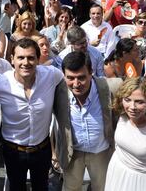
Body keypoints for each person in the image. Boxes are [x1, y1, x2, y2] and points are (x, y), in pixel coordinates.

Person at [0, 38, 64, 191]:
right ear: (12, 60)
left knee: (41, 187)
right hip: (13, 152)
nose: (26, 62)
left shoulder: (51, 75)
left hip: (42, 150)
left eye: (31, 57)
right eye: (20, 57)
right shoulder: (0, 83)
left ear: (38, 59)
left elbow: (71, 81)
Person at [54, 51, 116, 191]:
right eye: (70, 78)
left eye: (81, 77)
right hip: (72, 153)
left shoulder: (109, 87)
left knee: (103, 188)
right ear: (63, 75)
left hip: (101, 152)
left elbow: (141, 93)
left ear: (91, 72)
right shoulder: (58, 92)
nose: (76, 84)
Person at [105, 77, 146, 190]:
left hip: (142, 182)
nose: (132, 107)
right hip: (116, 171)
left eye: (140, 102)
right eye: (127, 100)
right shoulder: (123, 115)